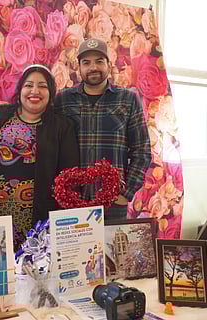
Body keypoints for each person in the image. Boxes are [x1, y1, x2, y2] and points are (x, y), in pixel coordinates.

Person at [0, 64, 79, 249]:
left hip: (39, 215)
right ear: (20, 89)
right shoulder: (0, 115)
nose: (35, 91)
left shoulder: (61, 127)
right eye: (28, 85)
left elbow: (68, 175)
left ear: (51, 92)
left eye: (42, 86)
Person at [55, 39, 151, 219]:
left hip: (112, 204)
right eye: (86, 62)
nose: (93, 67)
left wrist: (125, 193)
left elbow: (142, 151)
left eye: (99, 61)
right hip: (72, 203)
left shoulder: (128, 99)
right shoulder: (63, 100)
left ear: (109, 64)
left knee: (112, 247)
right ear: (79, 67)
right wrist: (6, 110)